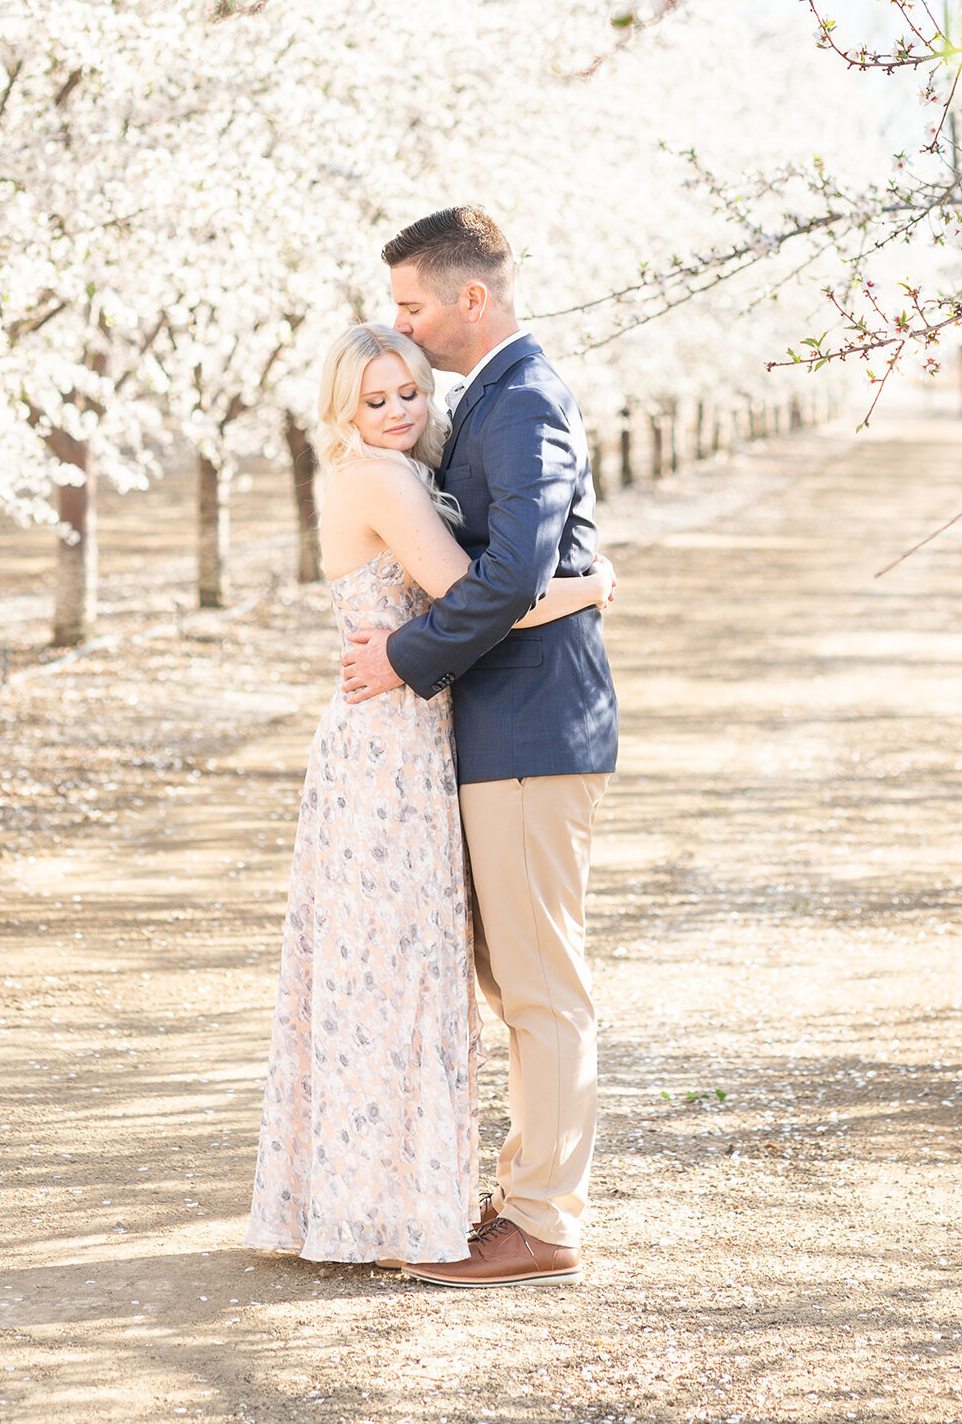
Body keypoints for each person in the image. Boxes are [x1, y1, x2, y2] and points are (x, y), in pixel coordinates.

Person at [247, 321, 614, 1270]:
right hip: (391, 746)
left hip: (409, 736)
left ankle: (390, 1198)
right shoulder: (382, 478)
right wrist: (590, 585)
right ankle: (390, 1204)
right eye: (374, 400)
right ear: (342, 409)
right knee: (392, 973)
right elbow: (488, 596)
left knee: (394, 972)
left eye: (409, 391)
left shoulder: (403, 469)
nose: (398, 410)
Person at [340, 204, 619, 1290]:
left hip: (532, 729)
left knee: (542, 984)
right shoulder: (485, 401)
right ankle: (524, 1194)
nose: (400, 323)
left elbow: (512, 574)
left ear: (471, 297)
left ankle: (542, 1222)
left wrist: (403, 657)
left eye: (411, 304)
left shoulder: (524, 397)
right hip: (498, 728)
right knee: (516, 979)